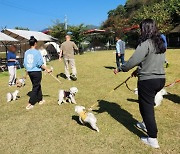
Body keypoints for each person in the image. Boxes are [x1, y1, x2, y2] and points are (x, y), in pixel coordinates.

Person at [114, 19, 166, 148]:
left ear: (145, 29)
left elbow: (132, 61)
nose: (140, 31)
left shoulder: (145, 43)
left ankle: (152, 138)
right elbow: (151, 61)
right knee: (147, 106)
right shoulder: (160, 43)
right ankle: (145, 123)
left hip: (148, 81)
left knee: (146, 108)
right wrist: (139, 70)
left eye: (141, 28)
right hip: (160, 79)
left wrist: (120, 68)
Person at [24, 36, 51, 110]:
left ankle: (40, 100)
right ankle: (30, 103)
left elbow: (25, 63)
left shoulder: (26, 52)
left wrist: (27, 72)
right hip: (36, 72)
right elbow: (40, 63)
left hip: (30, 72)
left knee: (37, 85)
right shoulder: (37, 52)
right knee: (35, 87)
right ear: (35, 43)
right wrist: (47, 69)